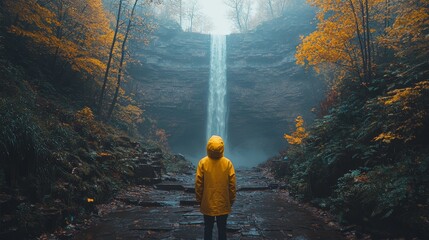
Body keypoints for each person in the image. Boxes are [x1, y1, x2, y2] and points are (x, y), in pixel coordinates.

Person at [195, 135, 236, 240]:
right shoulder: (227, 163)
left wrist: (200, 200)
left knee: (208, 229)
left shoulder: (203, 162)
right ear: (222, 147)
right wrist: (230, 200)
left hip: (207, 203)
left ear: (208, 146)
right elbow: (232, 185)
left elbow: (198, 184)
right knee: (222, 229)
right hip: (223, 202)